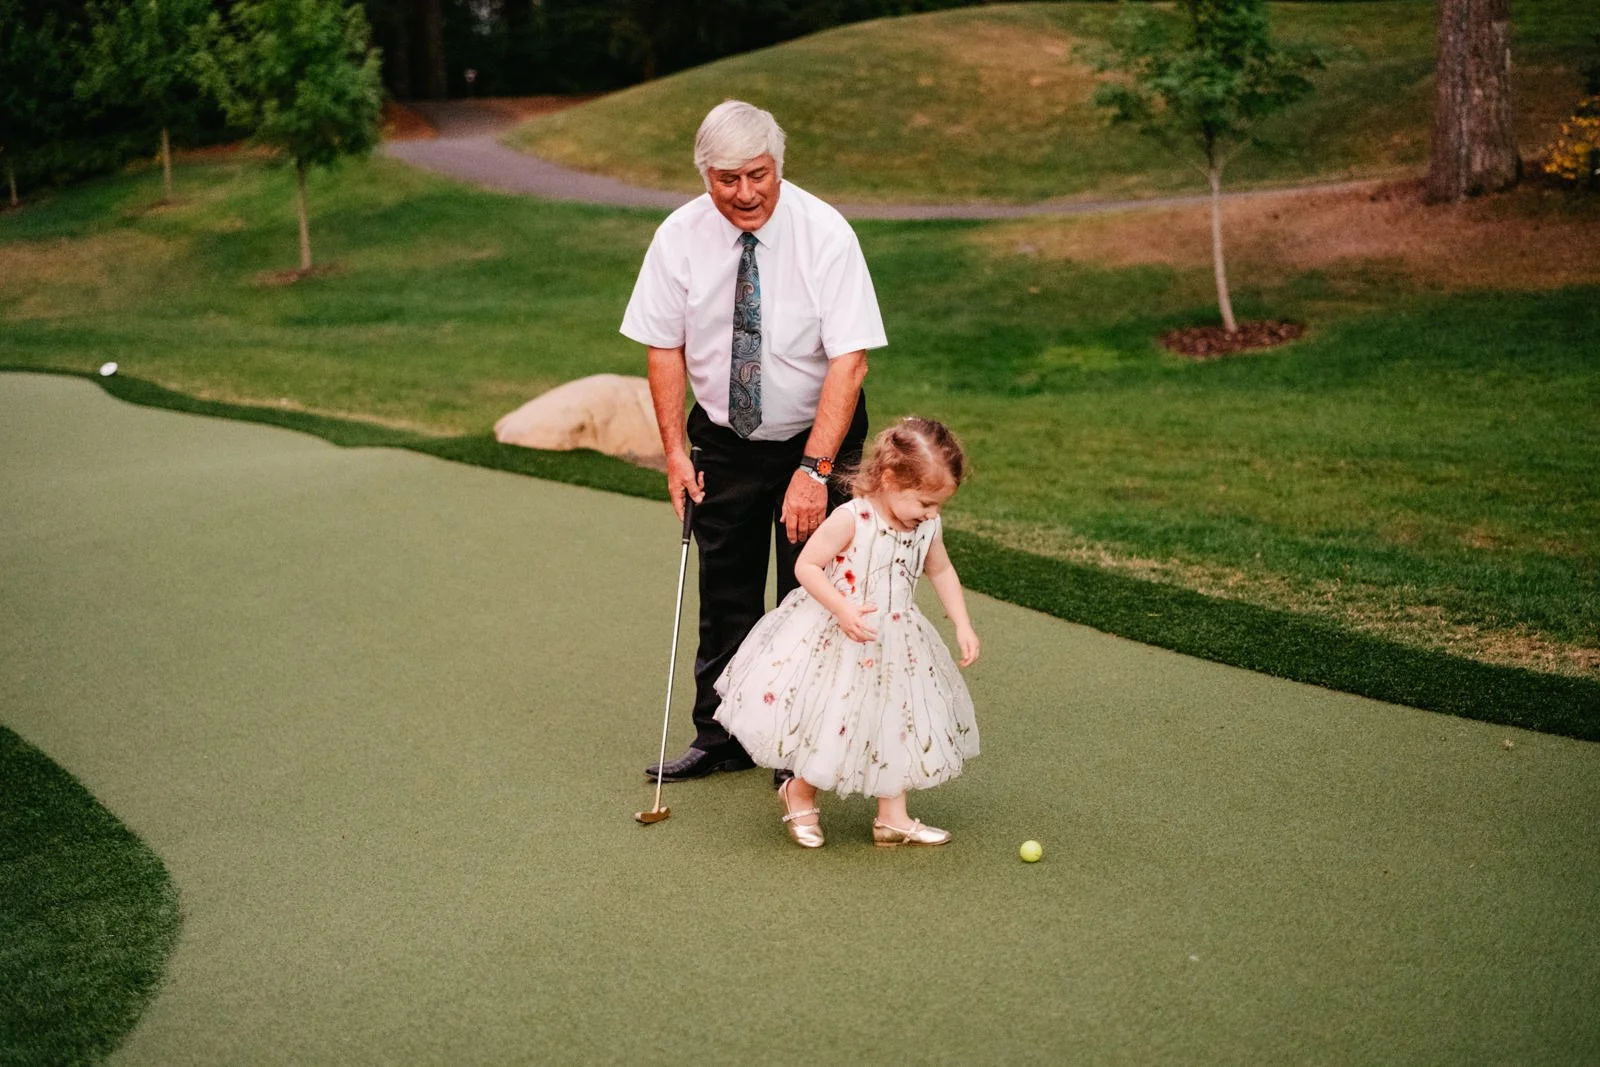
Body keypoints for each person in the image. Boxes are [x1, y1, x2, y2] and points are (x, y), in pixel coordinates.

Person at [621, 100, 887, 783]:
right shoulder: (679, 236)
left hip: (817, 434)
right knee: (727, 591)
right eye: (727, 178)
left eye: (758, 175)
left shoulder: (825, 234)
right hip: (726, 439)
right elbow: (664, 346)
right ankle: (724, 736)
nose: (744, 193)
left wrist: (814, 470)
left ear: (779, 166)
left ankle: (799, 746)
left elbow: (849, 361)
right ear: (705, 174)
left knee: (812, 591)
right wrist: (675, 453)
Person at [713, 417, 981, 848]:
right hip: (843, 639)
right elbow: (806, 567)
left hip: (897, 641)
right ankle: (798, 792)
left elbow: (941, 569)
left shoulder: (927, 526)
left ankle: (892, 816)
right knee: (834, 720)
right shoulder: (852, 517)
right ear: (891, 478)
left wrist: (963, 623)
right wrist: (842, 608)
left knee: (897, 719)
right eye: (925, 503)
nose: (931, 514)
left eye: (937, 507)